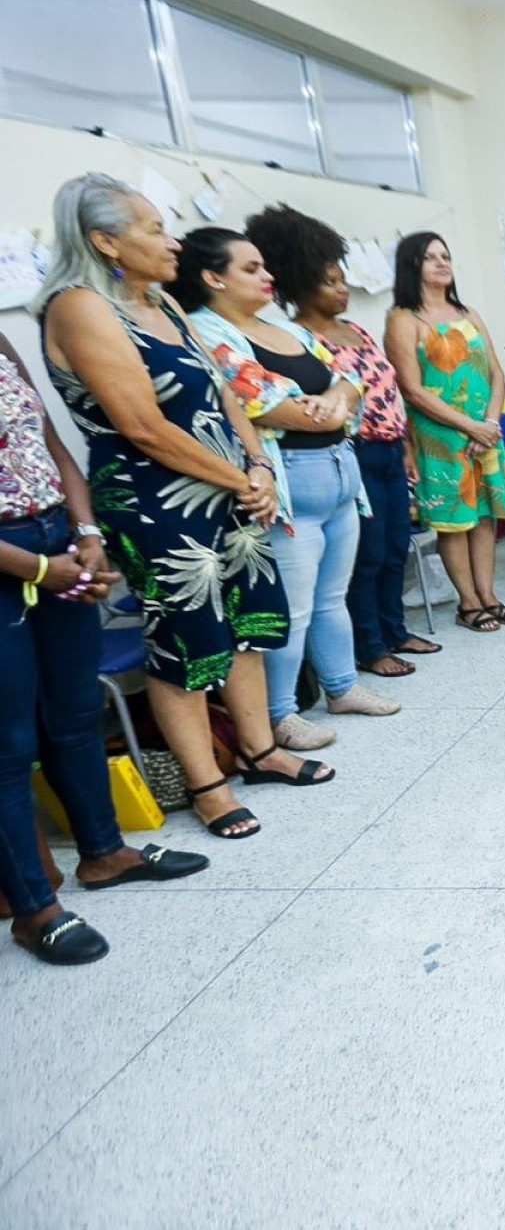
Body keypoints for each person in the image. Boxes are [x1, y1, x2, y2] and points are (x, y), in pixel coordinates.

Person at [35, 173, 334, 842]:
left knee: (248, 627)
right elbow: (141, 425)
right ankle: (207, 784)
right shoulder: (80, 307)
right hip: (157, 503)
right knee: (184, 643)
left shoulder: (164, 305)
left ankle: (260, 751)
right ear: (105, 240)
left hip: (231, 486)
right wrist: (237, 476)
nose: (172, 243)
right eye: (153, 230)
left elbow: (226, 394)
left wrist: (257, 466)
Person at [2, 330, 210, 964]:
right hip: (14, 559)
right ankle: (36, 910)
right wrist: (37, 570)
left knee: (74, 718)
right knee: (9, 746)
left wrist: (85, 532)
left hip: (55, 537)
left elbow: (54, 445)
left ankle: (105, 853)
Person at [178, 228, 400, 752]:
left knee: (330, 598)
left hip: (340, 473)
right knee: (292, 607)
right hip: (290, 481)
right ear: (213, 278)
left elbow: (348, 378)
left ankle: (343, 686)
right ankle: (281, 714)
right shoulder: (208, 332)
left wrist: (339, 400)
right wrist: (331, 406)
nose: (267, 276)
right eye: (250, 269)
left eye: (264, 266)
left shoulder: (280, 326)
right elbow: (262, 403)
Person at [245, 204, 440, 679]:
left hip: (392, 448)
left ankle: (395, 629)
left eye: (343, 280)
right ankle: (369, 646)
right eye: (331, 281)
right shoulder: (297, 337)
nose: (342, 290)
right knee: (366, 555)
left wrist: (408, 445)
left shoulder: (356, 331)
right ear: (302, 284)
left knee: (396, 545)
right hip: (351, 454)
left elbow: (386, 389)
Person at [385, 232, 505, 633]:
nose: (442, 263)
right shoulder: (403, 319)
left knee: (483, 517)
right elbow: (412, 389)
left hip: (486, 434)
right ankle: (468, 602)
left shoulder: (468, 313)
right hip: (441, 437)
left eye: (446, 255)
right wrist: (469, 426)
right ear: (412, 266)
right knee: (453, 520)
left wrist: (490, 424)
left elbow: (496, 373)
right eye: (430, 257)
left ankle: (489, 595)